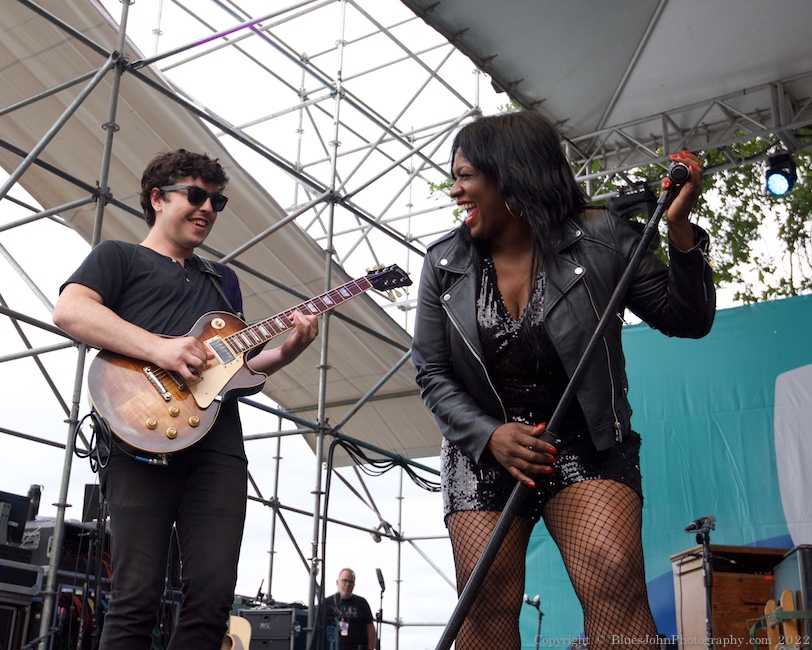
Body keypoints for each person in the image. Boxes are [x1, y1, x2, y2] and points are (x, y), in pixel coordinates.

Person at [412, 111, 715, 649]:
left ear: (511, 174)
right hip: (484, 452)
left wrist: (679, 226)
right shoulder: (444, 262)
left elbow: (687, 319)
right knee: (484, 604)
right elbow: (432, 373)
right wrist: (488, 435)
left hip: (584, 441)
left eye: (465, 176)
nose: (454, 190)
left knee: (614, 575)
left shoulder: (602, 237)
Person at [52, 149, 319, 649]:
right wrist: (162, 348)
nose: (207, 209)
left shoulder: (224, 281)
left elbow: (237, 372)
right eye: (195, 195)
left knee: (214, 599)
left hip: (216, 446)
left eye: (216, 201)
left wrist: (286, 351)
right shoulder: (119, 257)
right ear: (157, 198)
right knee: (136, 594)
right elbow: (70, 311)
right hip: (137, 441)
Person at [324, 568, 375, 650]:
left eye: (351, 582)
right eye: (344, 581)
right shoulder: (326, 603)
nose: (347, 584)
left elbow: (370, 628)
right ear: (337, 582)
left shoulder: (361, 603)